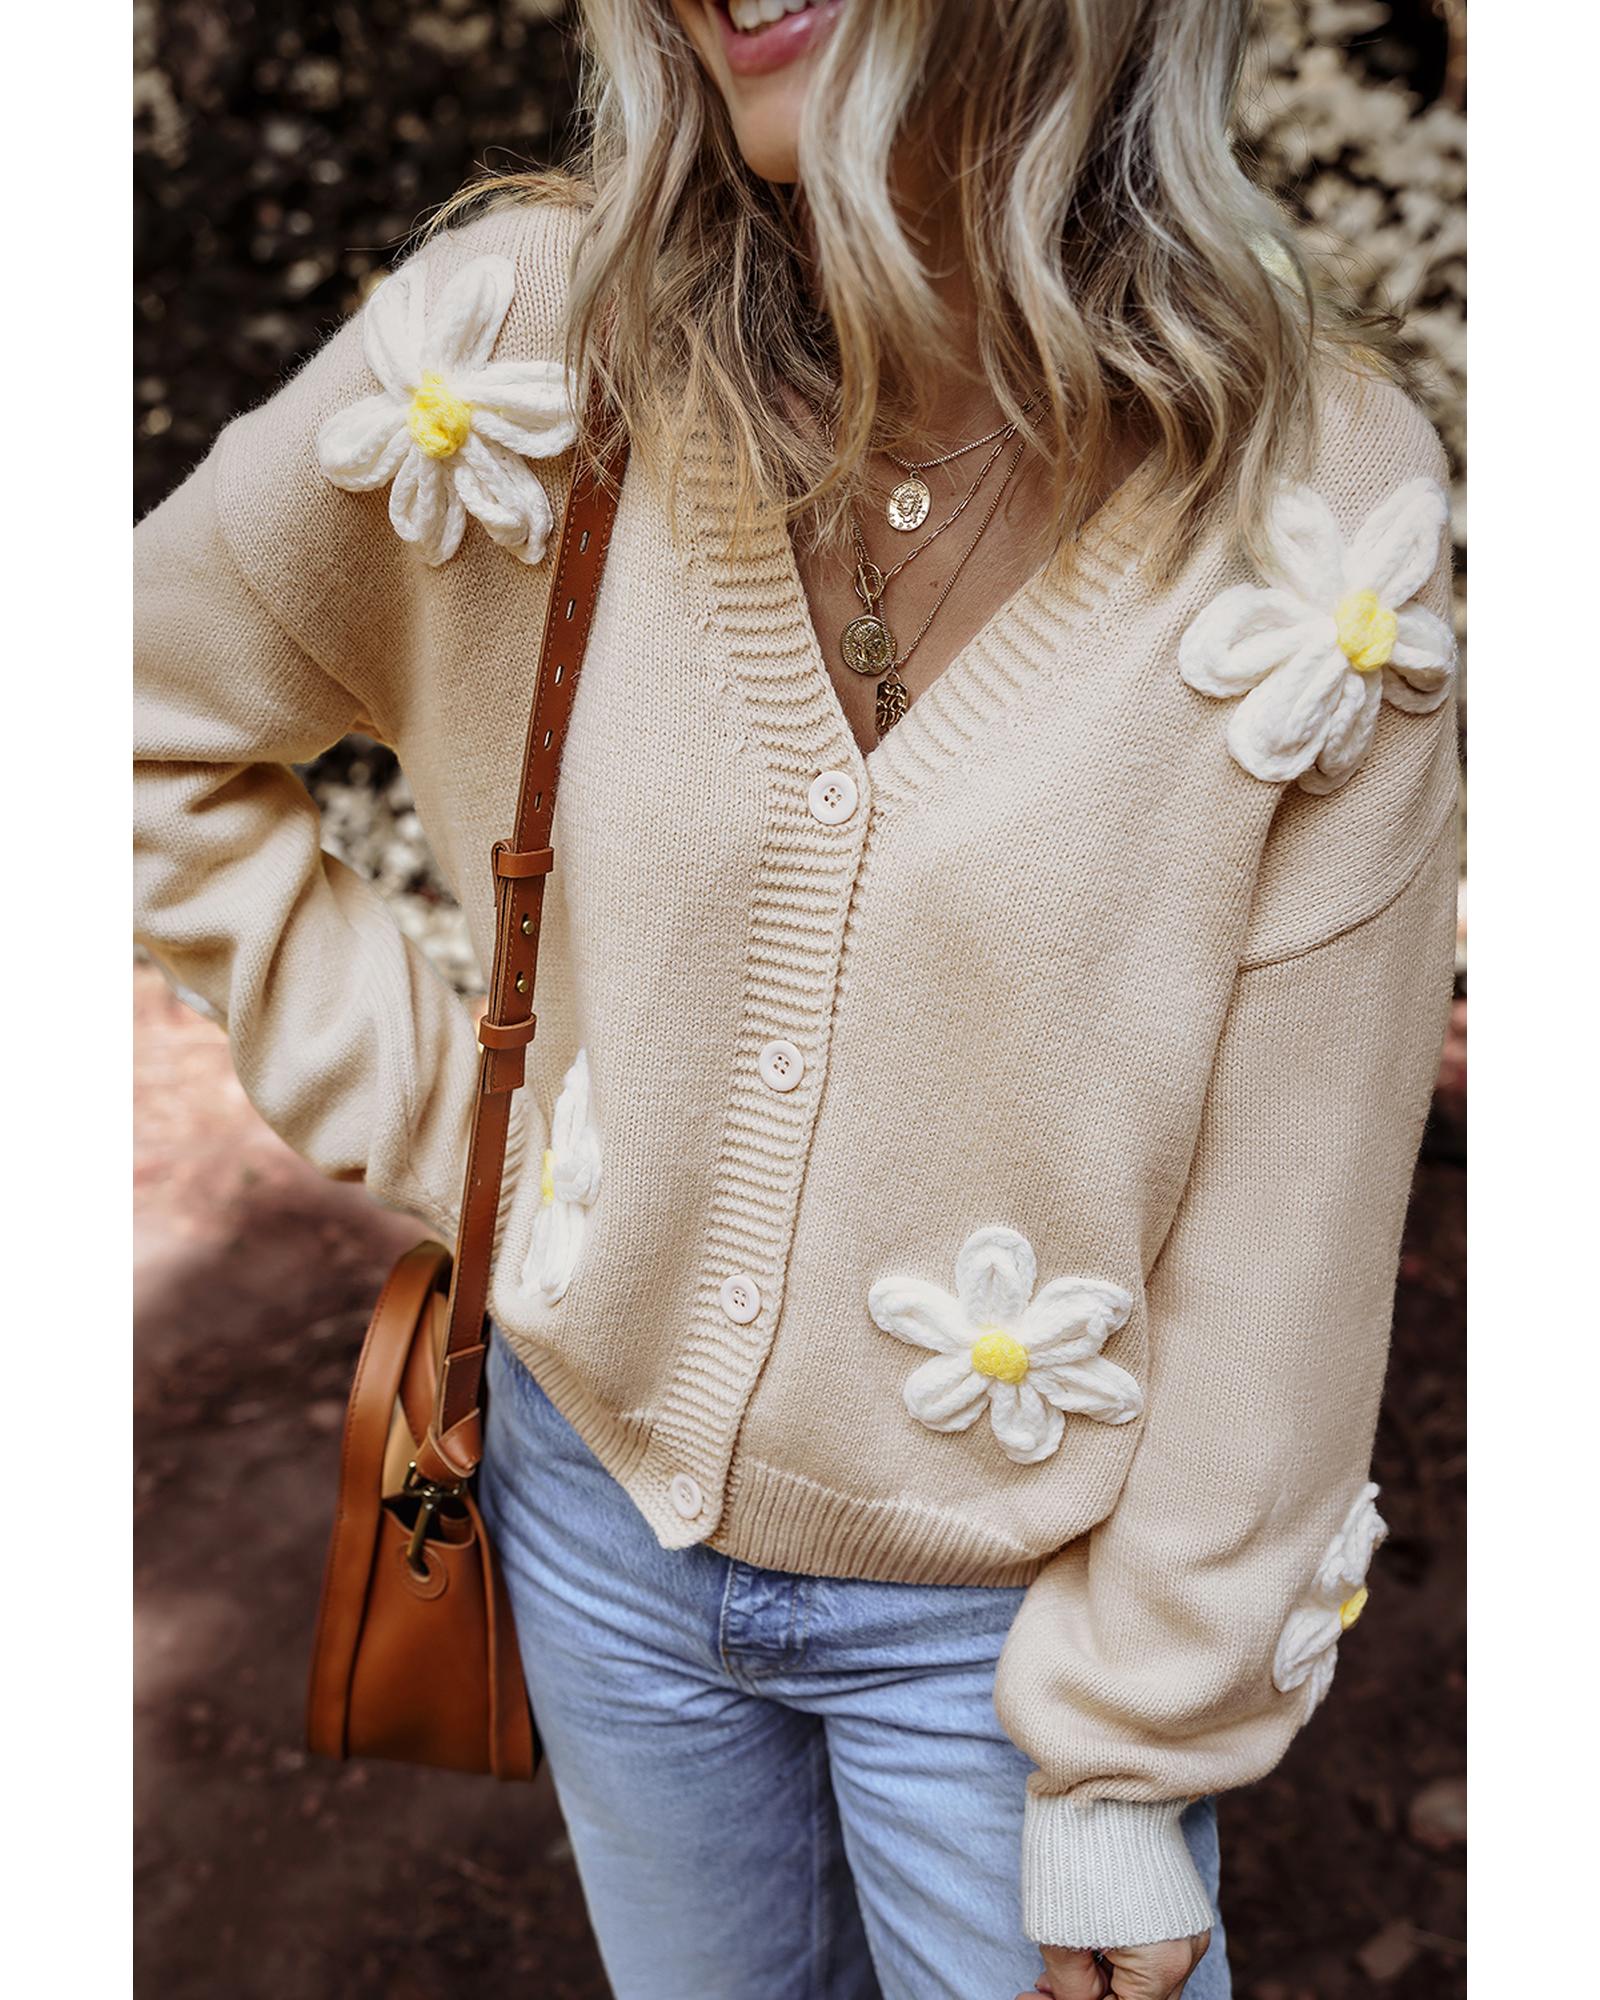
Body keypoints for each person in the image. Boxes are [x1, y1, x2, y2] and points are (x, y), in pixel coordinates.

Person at [132, 2, 1460, 1995]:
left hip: (1013, 1639)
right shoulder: (526, 352)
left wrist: (1131, 1764)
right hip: (592, 1526)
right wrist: (459, 1136)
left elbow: (1298, 1212)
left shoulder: (1313, 513)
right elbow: (125, 717)